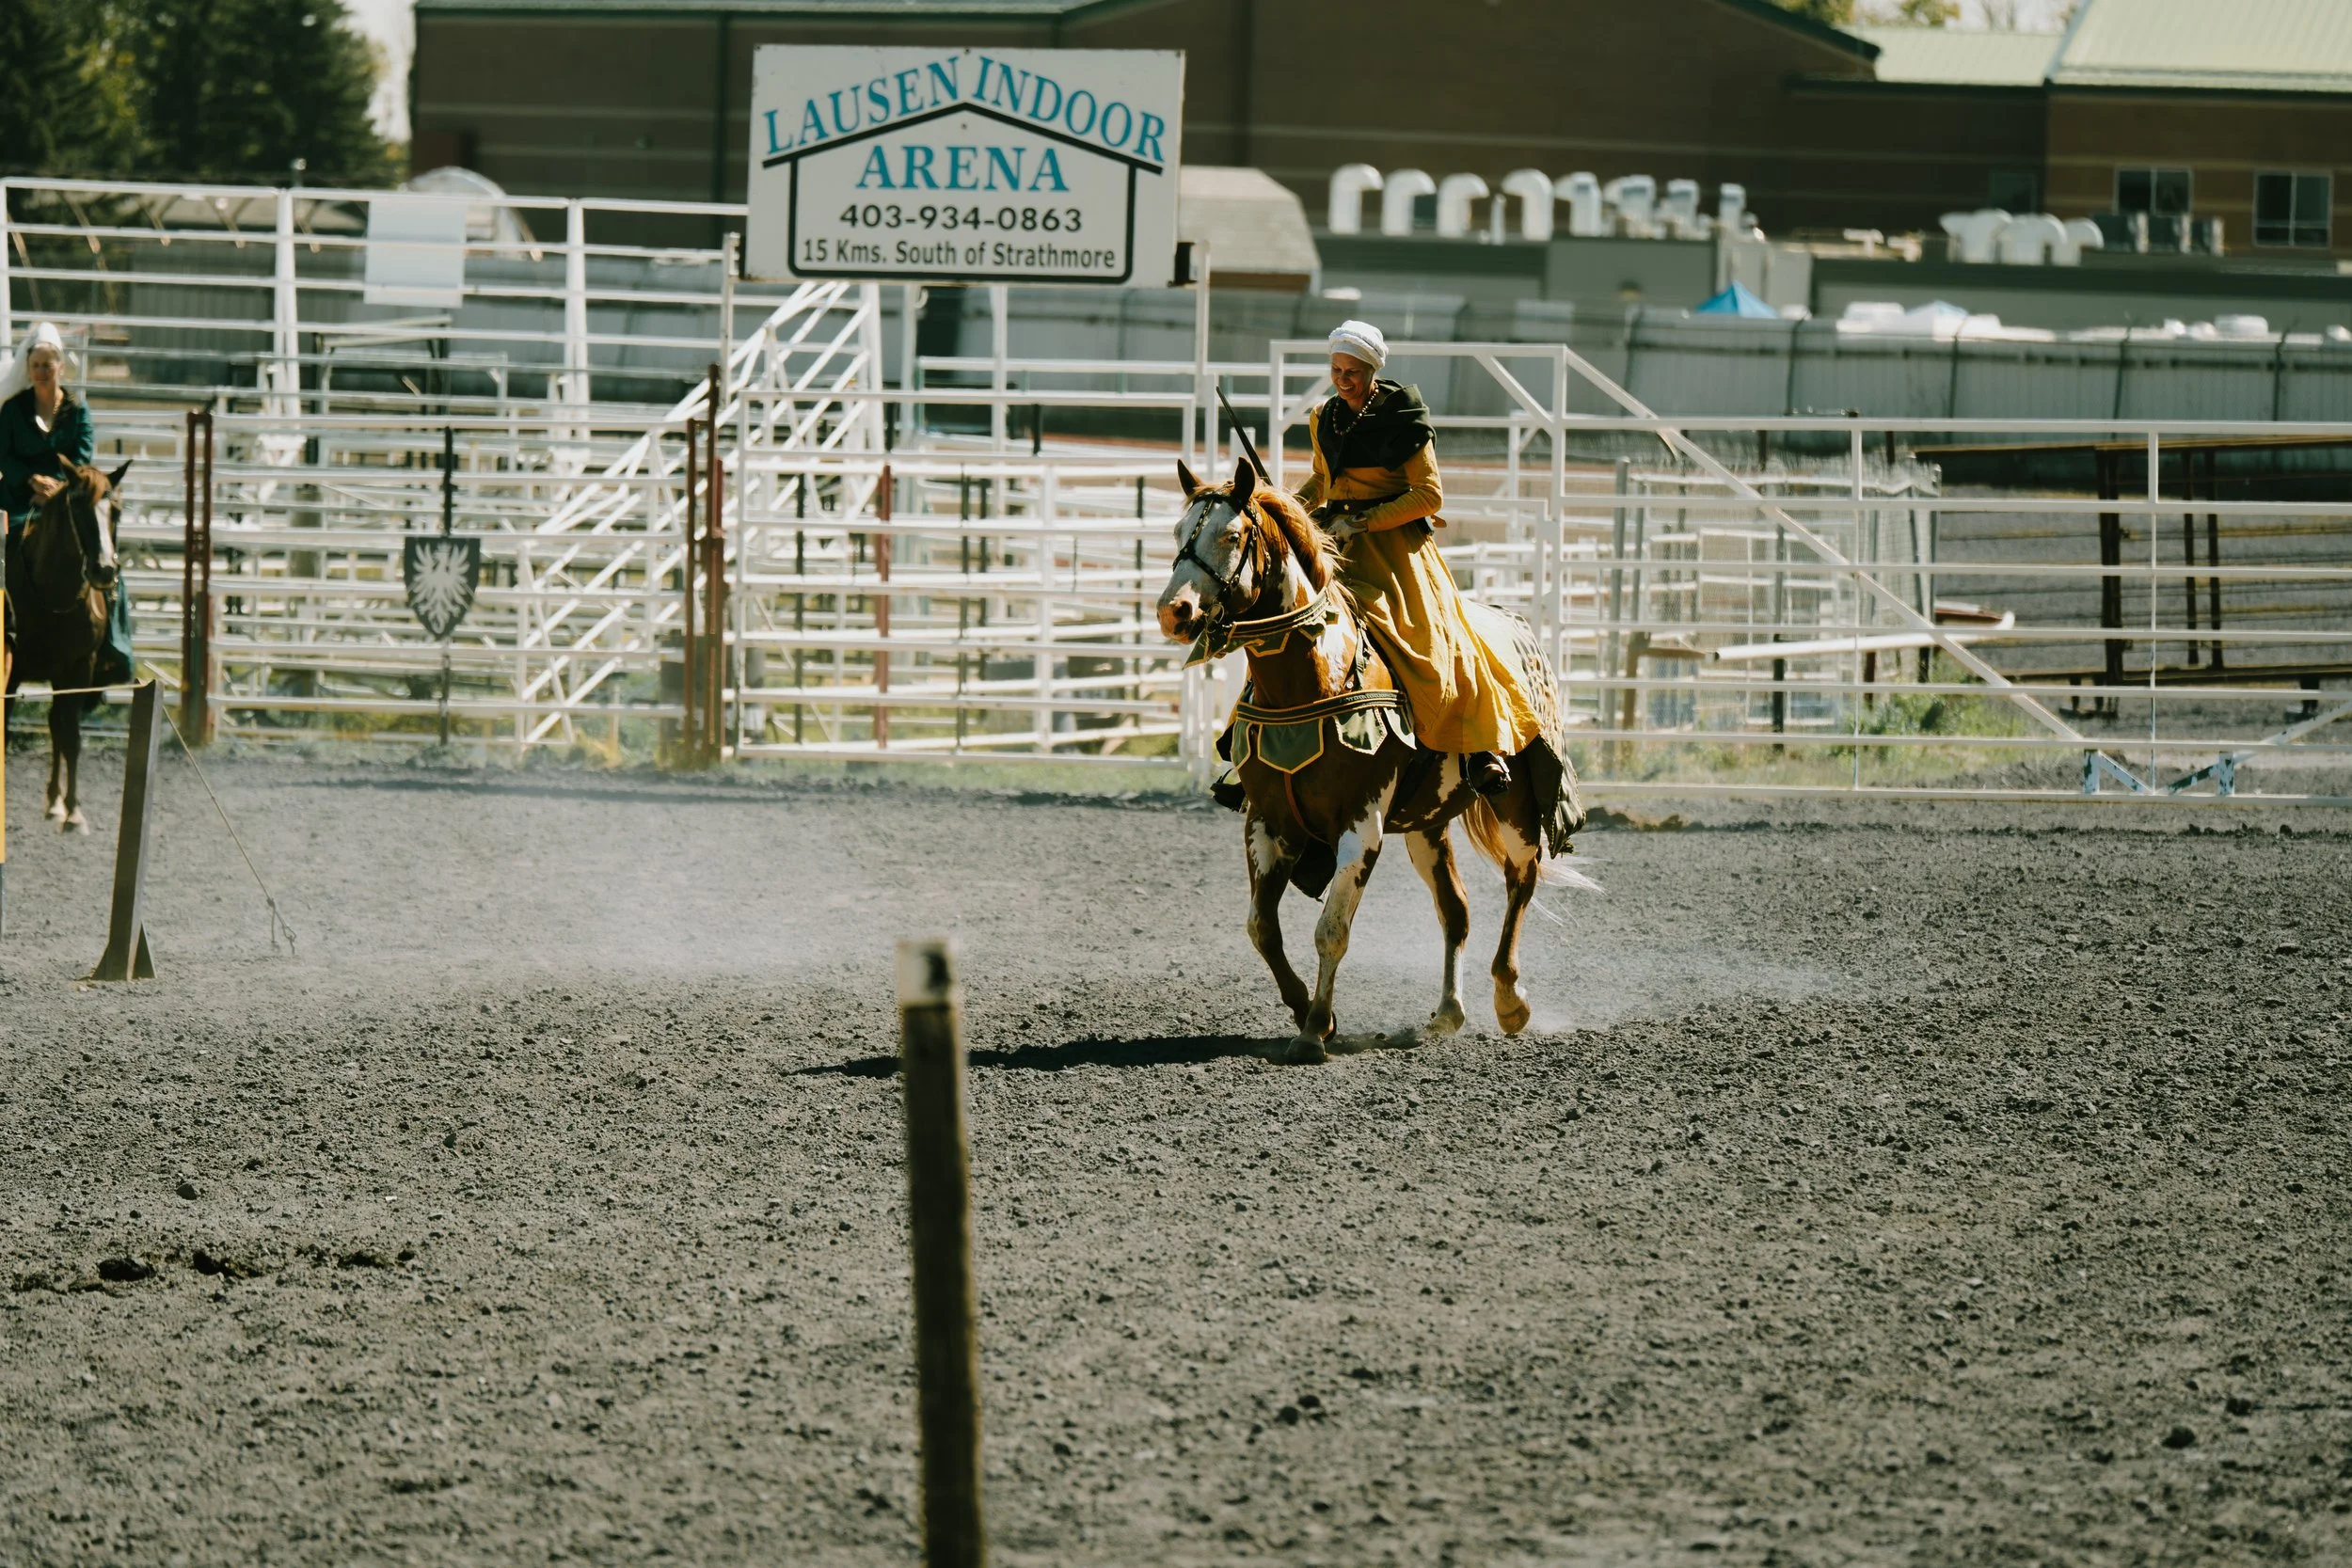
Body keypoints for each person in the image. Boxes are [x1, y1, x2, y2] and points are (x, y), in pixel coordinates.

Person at [1293, 320, 1539, 796]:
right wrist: (1285, 508)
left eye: (1353, 371)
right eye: (1336, 369)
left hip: (1395, 550)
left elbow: (1429, 495)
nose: (1343, 379)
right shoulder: (1324, 415)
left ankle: (1479, 745)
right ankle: (1256, 745)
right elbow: (1321, 481)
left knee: (1435, 641)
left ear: (1372, 368)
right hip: (1333, 544)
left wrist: (1363, 522)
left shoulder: (1402, 415)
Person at [1, 323, 133, 685]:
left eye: (49, 364)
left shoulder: (78, 411)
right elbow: (3, 454)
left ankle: (111, 647)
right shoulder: (14, 411)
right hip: (18, 499)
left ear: (61, 366)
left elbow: (82, 456)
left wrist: (58, 487)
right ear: (28, 369)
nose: (43, 371)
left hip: (67, 499)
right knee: (2, 544)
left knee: (103, 556)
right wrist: (30, 480)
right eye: (37, 364)